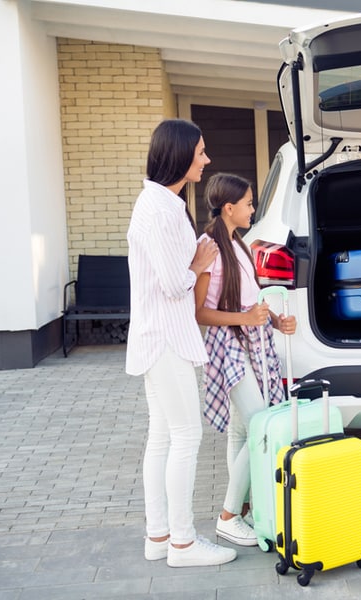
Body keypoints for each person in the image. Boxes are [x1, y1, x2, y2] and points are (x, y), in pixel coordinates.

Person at [125, 118, 238, 567]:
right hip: (166, 338)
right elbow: (175, 283)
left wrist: (194, 259)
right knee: (186, 435)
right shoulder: (162, 208)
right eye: (201, 153)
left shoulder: (158, 203)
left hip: (158, 337)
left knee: (162, 437)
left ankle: (159, 537)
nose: (207, 160)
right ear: (180, 155)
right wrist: (202, 258)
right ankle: (184, 544)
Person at [194, 173, 296, 546]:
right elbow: (199, 314)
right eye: (250, 203)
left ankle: (251, 509)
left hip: (252, 341)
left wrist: (273, 319)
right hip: (228, 346)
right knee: (261, 429)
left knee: (243, 431)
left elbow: (251, 300)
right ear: (229, 207)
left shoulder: (239, 244)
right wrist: (246, 319)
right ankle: (228, 516)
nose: (253, 209)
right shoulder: (208, 247)